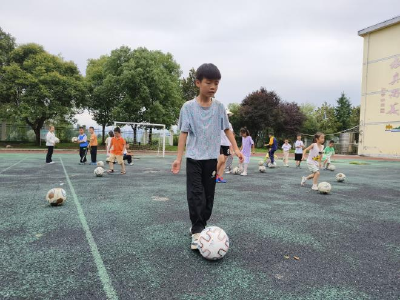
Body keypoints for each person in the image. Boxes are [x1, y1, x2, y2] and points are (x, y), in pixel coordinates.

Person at [171, 63, 244, 250]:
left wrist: (236, 150)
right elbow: (183, 134)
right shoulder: (188, 107)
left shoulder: (219, 107)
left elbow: (228, 130)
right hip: (194, 158)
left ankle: (200, 225)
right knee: (196, 194)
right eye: (209, 82)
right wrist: (178, 158)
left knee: (208, 197)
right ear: (198, 83)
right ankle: (197, 232)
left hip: (211, 158)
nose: (213, 87)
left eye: (217, 83)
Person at [216, 109, 234, 183]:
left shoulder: (229, 125)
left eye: (228, 115)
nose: (227, 116)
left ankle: (220, 177)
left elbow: (231, 136)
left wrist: (231, 146)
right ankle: (213, 175)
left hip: (226, 144)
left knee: (224, 161)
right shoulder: (217, 123)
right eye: (226, 115)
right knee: (221, 160)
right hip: (219, 143)